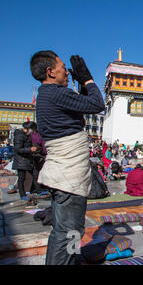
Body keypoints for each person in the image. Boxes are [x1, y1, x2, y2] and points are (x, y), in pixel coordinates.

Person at [31, 51, 105, 265]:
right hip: (68, 175)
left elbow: (83, 104)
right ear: (50, 71)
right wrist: (88, 80)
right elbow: (97, 104)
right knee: (67, 232)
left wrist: (81, 86)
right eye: (62, 67)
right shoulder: (55, 93)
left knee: (72, 230)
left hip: (64, 174)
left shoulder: (49, 95)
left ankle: (72, 260)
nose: (66, 71)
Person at [12, 122, 38, 200]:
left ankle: (36, 190)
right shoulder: (19, 136)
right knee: (21, 177)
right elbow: (18, 149)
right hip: (21, 160)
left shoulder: (27, 136)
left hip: (27, 159)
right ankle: (22, 194)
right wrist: (29, 149)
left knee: (34, 174)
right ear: (28, 128)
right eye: (32, 129)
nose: (32, 131)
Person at [28, 122, 49, 195]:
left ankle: (35, 188)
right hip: (38, 157)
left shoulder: (29, 135)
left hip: (32, 156)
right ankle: (39, 188)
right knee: (38, 173)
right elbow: (43, 146)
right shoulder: (38, 135)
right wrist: (46, 154)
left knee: (35, 173)